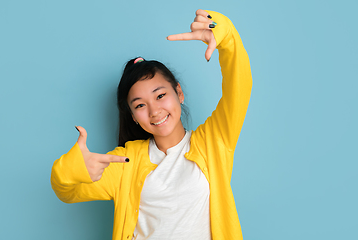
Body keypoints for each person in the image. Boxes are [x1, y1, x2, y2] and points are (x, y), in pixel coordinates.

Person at [51, 9, 252, 240]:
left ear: (179, 92)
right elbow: (66, 192)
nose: (155, 111)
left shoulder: (213, 142)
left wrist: (226, 37)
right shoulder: (125, 162)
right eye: (139, 105)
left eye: (159, 96)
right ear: (133, 116)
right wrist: (72, 169)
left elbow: (240, 87)